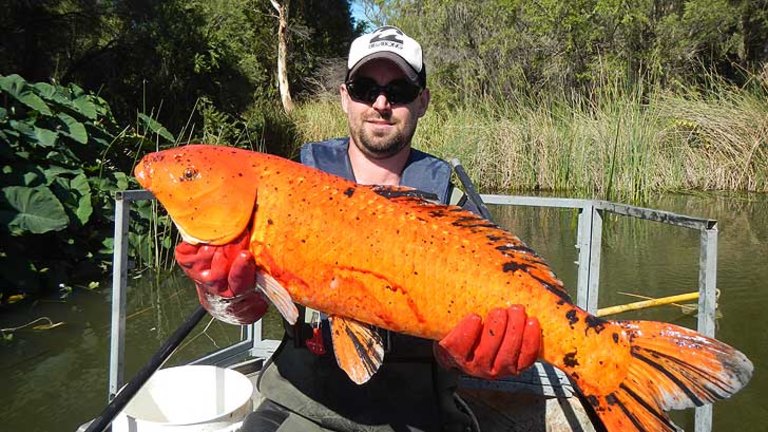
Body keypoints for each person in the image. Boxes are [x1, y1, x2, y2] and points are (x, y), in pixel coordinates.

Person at [175, 26, 541, 432]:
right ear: (345, 97)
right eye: (365, 87)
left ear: (422, 102)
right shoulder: (289, 186)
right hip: (303, 403)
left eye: (398, 90)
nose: (381, 103)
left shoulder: (456, 212)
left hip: (420, 415)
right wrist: (222, 296)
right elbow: (244, 310)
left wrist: (472, 356)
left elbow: (473, 350)